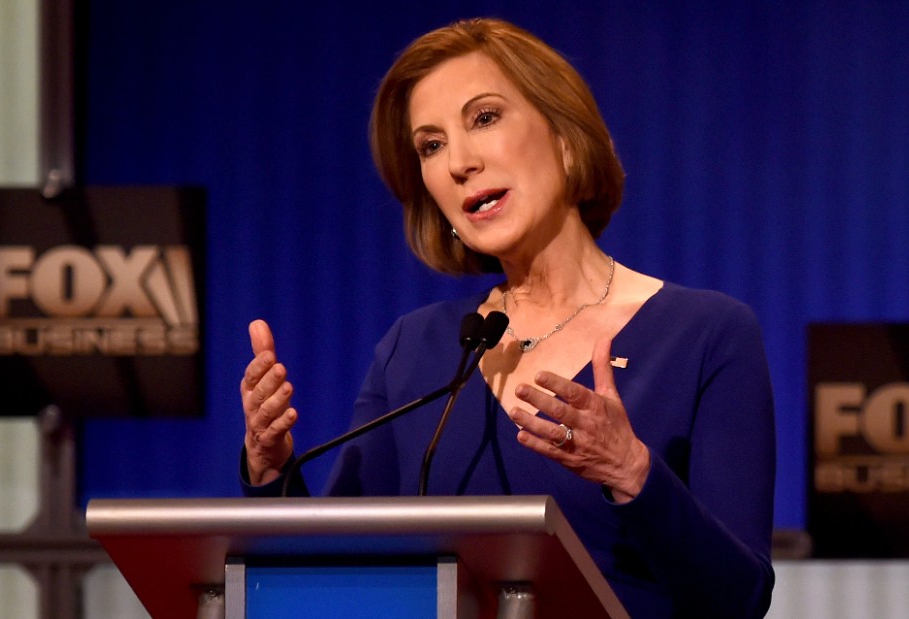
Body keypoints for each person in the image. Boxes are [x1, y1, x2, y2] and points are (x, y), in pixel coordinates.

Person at [240, 17, 775, 618]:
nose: (458, 162)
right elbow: (330, 579)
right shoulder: (415, 349)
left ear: (566, 139)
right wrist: (271, 466)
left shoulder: (706, 334)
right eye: (431, 146)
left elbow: (741, 598)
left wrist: (632, 473)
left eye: (485, 118)